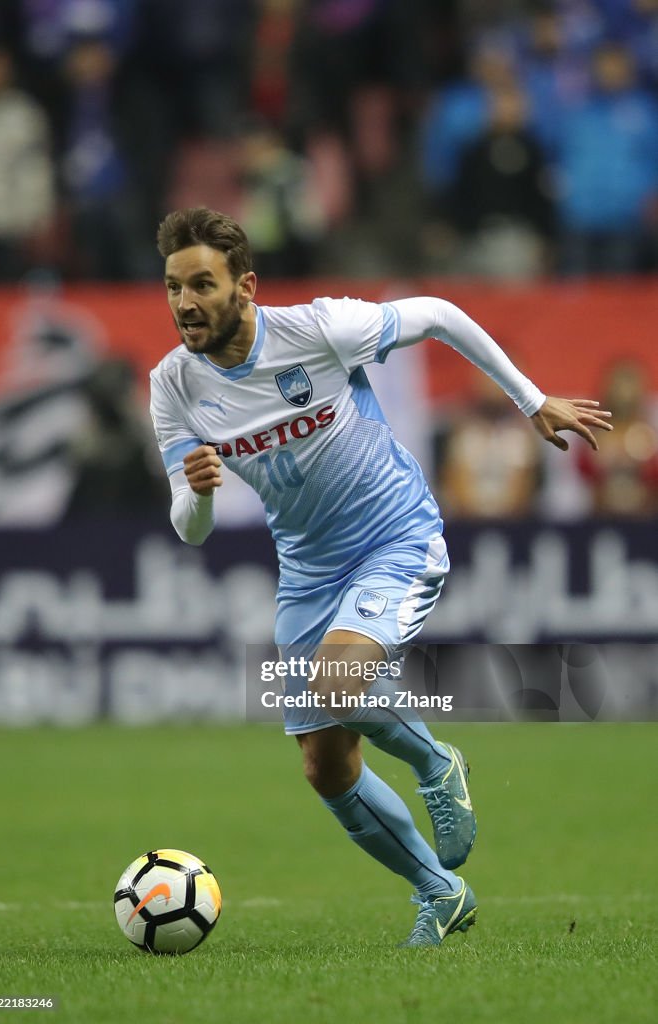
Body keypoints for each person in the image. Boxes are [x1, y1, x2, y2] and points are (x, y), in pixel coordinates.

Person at [149, 206, 612, 948]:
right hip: (305, 573)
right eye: (173, 287)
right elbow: (189, 528)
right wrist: (197, 492)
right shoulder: (172, 385)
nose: (184, 303)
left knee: (336, 685)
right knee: (323, 765)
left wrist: (529, 400)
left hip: (394, 539)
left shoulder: (316, 329)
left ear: (246, 286)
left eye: (201, 284)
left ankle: (435, 762)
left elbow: (437, 313)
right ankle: (441, 893)